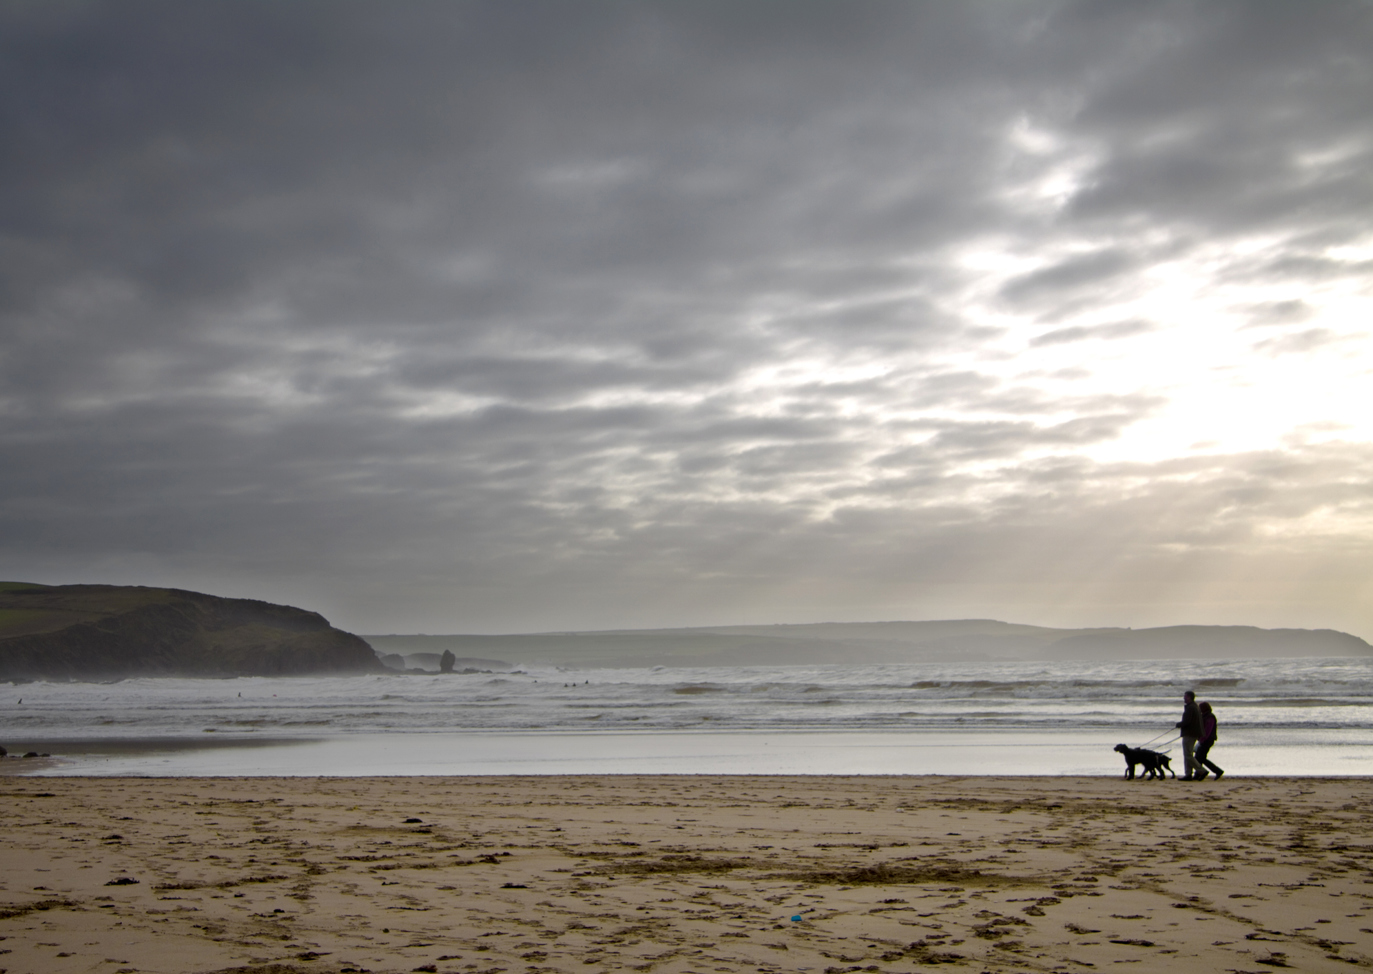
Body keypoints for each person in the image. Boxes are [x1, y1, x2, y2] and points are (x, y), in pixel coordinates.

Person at [1193, 701, 1224, 780]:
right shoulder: (1203, 716)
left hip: (1208, 740)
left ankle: (1216, 771)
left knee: (1200, 757)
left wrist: (1202, 739)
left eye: (1200, 708)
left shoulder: (1210, 717)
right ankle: (1198, 773)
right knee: (1199, 757)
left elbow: (1208, 730)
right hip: (1204, 739)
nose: (1199, 709)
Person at [1175, 690, 1202, 780]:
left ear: (1190, 697)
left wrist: (1179, 724)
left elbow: (1187, 722)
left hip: (1190, 733)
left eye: (1185, 696)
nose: (1184, 698)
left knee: (1188, 755)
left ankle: (1201, 770)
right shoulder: (1194, 706)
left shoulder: (1191, 708)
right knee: (1187, 754)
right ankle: (1188, 774)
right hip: (1192, 733)